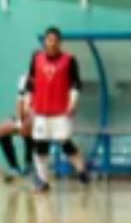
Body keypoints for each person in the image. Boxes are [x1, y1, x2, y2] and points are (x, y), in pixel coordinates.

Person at [26, 27, 89, 192]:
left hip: (61, 111)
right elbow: (31, 82)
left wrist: (73, 101)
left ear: (60, 42)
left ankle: (81, 169)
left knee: (65, 143)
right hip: (41, 111)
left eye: (55, 40)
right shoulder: (36, 58)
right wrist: (28, 103)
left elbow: (76, 83)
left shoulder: (69, 60)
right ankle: (43, 181)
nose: (51, 43)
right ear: (45, 42)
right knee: (40, 146)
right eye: (48, 40)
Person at [0, 74, 34, 183]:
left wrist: (28, 119)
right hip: (25, 118)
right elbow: (20, 101)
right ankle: (14, 167)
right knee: (0, 129)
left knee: (28, 126)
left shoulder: (45, 80)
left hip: (42, 119)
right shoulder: (25, 79)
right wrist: (20, 120)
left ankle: (29, 165)